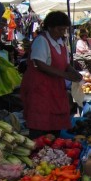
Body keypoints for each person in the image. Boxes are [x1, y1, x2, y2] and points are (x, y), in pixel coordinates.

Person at [20, 11, 82, 139]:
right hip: (40, 88)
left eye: (64, 29)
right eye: (59, 29)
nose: (62, 32)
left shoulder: (61, 42)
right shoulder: (41, 41)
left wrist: (74, 72)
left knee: (55, 124)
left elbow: (65, 63)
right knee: (40, 124)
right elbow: (40, 64)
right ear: (49, 27)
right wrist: (65, 75)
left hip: (55, 87)